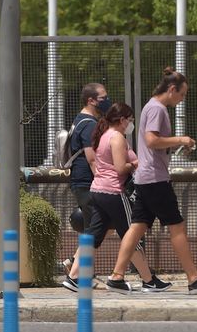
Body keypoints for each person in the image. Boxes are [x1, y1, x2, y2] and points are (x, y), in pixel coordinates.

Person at [106, 67, 197, 295]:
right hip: (155, 179)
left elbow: (153, 141)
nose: (183, 99)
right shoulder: (158, 109)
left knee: (138, 226)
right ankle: (194, 278)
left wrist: (175, 144)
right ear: (172, 89)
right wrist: (181, 139)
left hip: (145, 178)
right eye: (182, 94)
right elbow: (151, 140)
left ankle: (117, 276)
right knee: (177, 227)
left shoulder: (151, 107)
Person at [62, 103, 171, 293]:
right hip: (113, 192)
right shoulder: (117, 138)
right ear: (122, 120)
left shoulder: (103, 135)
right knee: (132, 235)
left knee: (93, 236)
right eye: (130, 120)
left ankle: (74, 277)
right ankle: (147, 279)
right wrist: (136, 163)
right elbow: (121, 168)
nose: (131, 124)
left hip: (97, 191)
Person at [62, 83, 111, 272]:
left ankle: (73, 263)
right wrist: (104, 181)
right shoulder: (89, 124)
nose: (106, 101)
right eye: (103, 98)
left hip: (81, 182)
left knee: (96, 226)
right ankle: (79, 274)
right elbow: (92, 159)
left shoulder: (79, 120)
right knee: (94, 229)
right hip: (87, 182)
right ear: (91, 100)